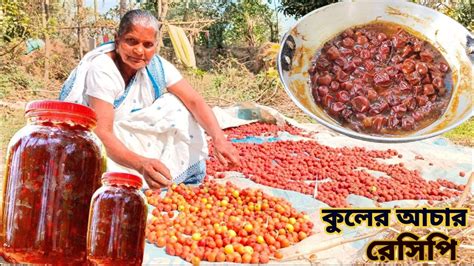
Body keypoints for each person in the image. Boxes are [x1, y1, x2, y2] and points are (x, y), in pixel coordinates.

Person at [59, 9, 240, 189]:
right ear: (117, 39)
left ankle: (175, 175)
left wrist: (219, 138)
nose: (139, 51)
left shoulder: (157, 66)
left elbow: (195, 101)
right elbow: (102, 132)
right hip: (100, 140)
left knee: (177, 105)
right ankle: (133, 177)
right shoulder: (103, 68)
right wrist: (140, 164)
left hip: (130, 135)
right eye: (131, 41)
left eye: (147, 45)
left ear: (155, 46)